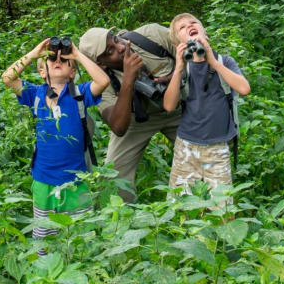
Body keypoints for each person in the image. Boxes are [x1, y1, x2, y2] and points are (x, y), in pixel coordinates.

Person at [1, 38, 110, 242]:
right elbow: (8, 78)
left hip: (77, 181)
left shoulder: (79, 94)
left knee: (81, 238)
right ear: (42, 72)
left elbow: (103, 81)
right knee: (44, 238)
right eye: (51, 60)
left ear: (72, 73)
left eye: (64, 62)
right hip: (44, 179)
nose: (57, 61)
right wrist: (34, 53)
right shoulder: (35, 94)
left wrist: (76, 55)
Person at [77, 24, 179, 202]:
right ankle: (124, 220)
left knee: (201, 154)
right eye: (110, 51)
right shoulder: (101, 82)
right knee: (114, 178)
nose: (121, 47)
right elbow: (118, 127)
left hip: (179, 110)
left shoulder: (151, 36)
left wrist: (173, 77)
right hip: (136, 121)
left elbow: (194, 56)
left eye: (116, 39)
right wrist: (128, 81)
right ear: (100, 63)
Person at [162, 13, 250, 199]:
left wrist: (213, 61)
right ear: (178, 43)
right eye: (182, 27)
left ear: (205, 33)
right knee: (179, 206)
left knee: (222, 207)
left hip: (217, 146)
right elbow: (169, 106)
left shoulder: (224, 61)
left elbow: (244, 89)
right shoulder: (182, 68)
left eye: (193, 23)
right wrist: (178, 68)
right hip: (186, 146)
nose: (189, 26)